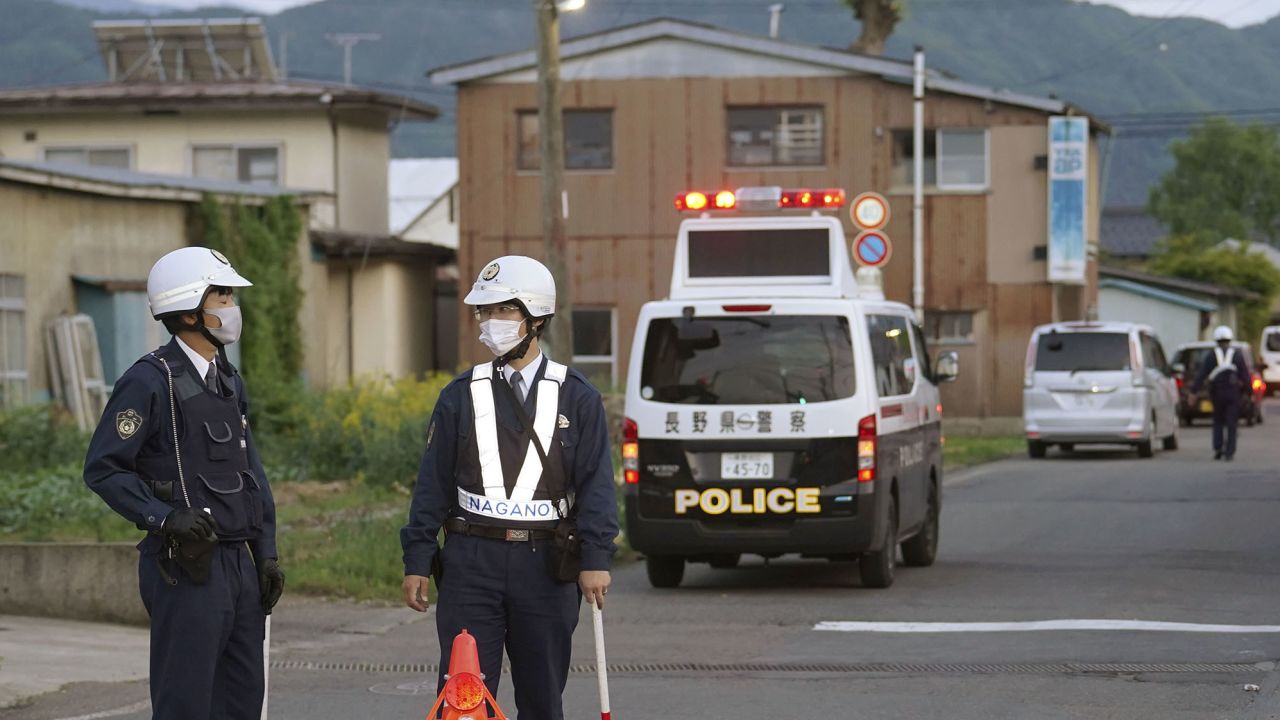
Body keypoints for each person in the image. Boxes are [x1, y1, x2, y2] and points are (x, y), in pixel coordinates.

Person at [401, 255, 618, 719]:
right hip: (469, 563)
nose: (490, 323)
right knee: (464, 697)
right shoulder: (460, 393)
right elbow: (432, 484)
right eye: (485, 312)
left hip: (546, 566)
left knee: (542, 698)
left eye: (503, 311)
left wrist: (596, 558)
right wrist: (417, 557)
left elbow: (597, 483)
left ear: (536, 318)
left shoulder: (577, 395)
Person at [83, 247, 285, 720]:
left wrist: (267, 553)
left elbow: (251, 476)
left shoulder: (229, 381)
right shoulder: (149, 380)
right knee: (186, 704)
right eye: (223, 295)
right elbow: (104, 468)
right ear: (190, 308)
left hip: (238, 564)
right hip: (187, 567)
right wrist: (164, 517)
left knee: (241, 702)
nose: (232, 307)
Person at [1192, 325, 1251, 461]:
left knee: (1218, 420)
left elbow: (1201, 375)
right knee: (1232, 423)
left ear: (1216, 340)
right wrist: (1250, 392)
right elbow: (1245, 375)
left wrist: (1194, 391)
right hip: (1233, 393)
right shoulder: (1237, 355)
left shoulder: (1211, 356)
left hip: (1217, 393)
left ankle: (1218, 448)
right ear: (1230, 339)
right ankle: (1229, 451)